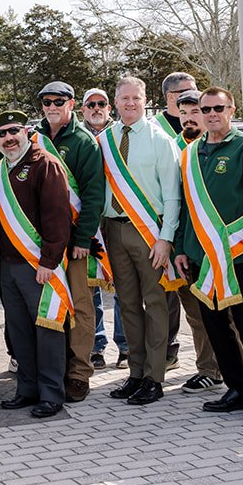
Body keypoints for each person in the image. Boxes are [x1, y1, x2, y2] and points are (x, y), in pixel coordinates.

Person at [160, 87, 243, 427]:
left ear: (231, 109)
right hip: (200, 259)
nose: (211, 114)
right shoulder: (190, 154)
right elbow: (182, 206)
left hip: (239, 257)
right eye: (205, 109)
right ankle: (236, 389)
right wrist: (181, 247)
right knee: (216, 327)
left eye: (218, 108)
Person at [99, 76, 182, 405]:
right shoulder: (105, 140)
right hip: (114, 230)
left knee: (155, 303)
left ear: (145, 100)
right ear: (115, 102)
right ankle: (135, 373)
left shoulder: (161, 140)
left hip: (149, 232)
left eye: (136, 98)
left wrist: (166, 238)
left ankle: (155, 376)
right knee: (127, 304)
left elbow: (173, 195)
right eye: (124, 99)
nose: (130, 104)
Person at [0, 109, 73, 418]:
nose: (9, 138)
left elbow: (57, 218)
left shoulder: (46, 165)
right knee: (19, 330)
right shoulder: (0, 169)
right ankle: (27, 389)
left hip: (38, 265)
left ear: (25, 131)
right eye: (2, 134)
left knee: (48, 329)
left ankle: (52, 394)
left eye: (14, 131)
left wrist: (49, 261)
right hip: (9, 266)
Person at [34, 81, 106, 403]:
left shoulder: (84, 142)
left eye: (58, 101)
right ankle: (54, 368)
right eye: (46, 102)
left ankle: (79, 373)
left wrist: (83, 238)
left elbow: (93, 194)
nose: (51, 106)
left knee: (80, 305)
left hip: (74, 242)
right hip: (42, 241)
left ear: (72, 103)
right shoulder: (33, 138)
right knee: (50, 305)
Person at [167, 93, 225, 395]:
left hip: (220, 243)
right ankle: (208, 369)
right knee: (196, 311)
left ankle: (233, 367)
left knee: (228, 310)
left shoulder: (220, 147)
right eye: (184, 112)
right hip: (186, 242)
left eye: (195, 112)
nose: (189, 117)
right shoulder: (173, 149)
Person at [79, 87, 126, 369]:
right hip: (87, 220)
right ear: (82, 109)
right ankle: (96, 346)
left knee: (122, 285)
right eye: (90, 105)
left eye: (102, 104)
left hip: (117, 216)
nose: (96, 108)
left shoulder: (120, 135)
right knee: (91, 286)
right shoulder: (77, 139)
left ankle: (126, 345)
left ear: (110, 107)